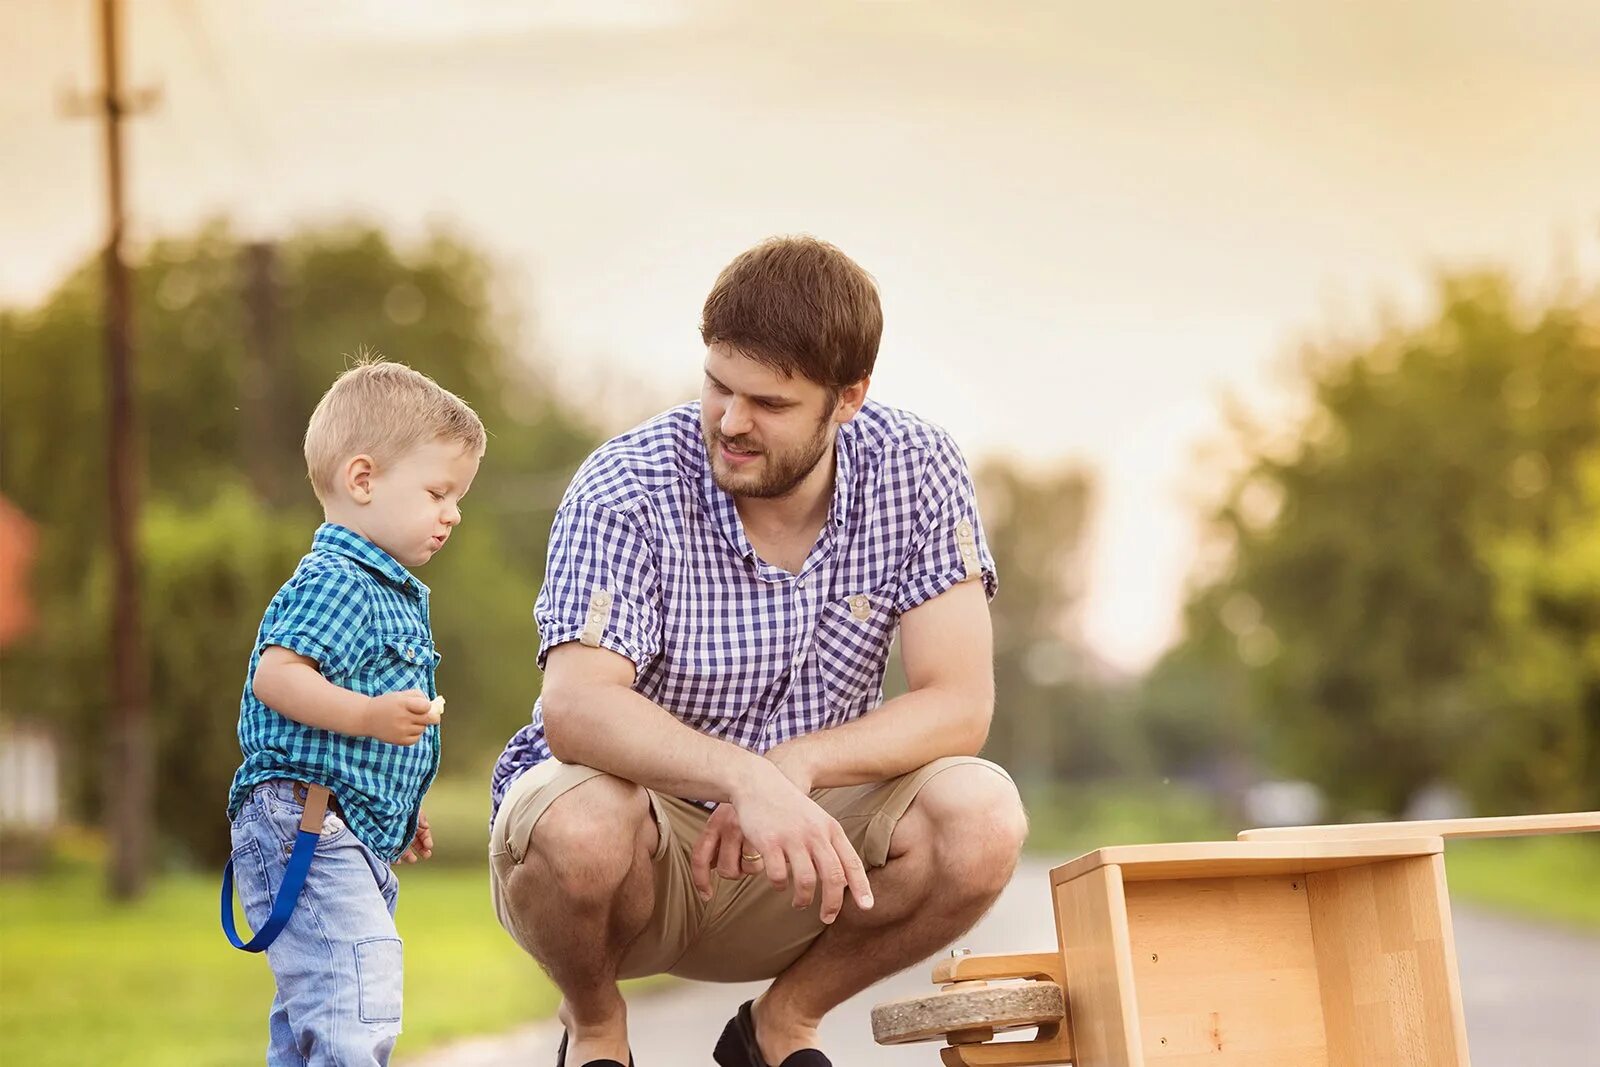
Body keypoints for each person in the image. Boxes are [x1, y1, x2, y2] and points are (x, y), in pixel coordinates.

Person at [489, 236, 1027, 1067]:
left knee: (983, 817)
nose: (731, 422)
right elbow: (575, 707)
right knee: (584, 821)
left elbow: (960, 702)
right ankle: (595, 1028)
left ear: (848, 399)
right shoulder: (624, 485)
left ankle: (781, 1026)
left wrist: (795, 767)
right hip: (642, 854)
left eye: (769, 404)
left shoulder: (918, 469)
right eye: (717, 386)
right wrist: (743, 775)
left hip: (799, 852)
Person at [225, 358, 485, 1065]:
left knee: (319, 1013)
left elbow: (349, 738)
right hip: (303, 822)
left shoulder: (381, 586)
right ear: (363, 479)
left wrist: (397, 811)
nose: (453, 512)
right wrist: (371, 714)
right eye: (438, 491)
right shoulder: (340, 579)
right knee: (354, 995)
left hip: (332, 821)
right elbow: (277, 676)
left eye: (457, 496)